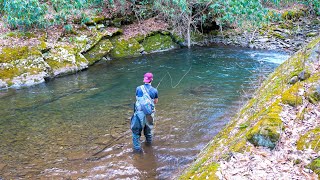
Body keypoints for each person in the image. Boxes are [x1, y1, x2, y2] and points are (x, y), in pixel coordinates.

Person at [131, 72, 159, 152]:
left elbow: (137, 98)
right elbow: (156, 102)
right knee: (148, 131)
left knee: (136, 132)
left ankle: (137, 151)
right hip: (149, 113)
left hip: (139, 113)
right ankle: (149, 147)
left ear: (144, 79)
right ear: (152, 80)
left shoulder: (138, 88)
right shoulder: (155, 90)